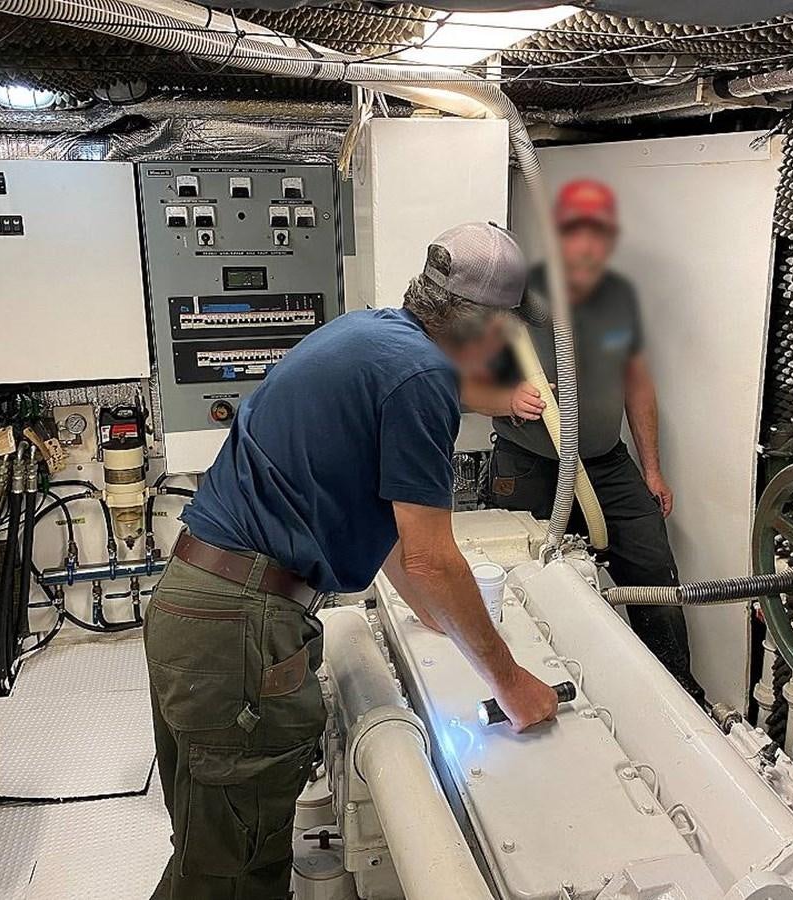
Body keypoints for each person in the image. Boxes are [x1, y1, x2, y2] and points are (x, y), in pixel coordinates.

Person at [145, 222, 559, 900]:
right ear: (484, 325)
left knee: (209, 849)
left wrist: (435, 617)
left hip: (196, 605)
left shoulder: (371, 334)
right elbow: (432, 558)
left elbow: (388, 527)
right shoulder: (422, 378)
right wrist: (511, 683)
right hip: (242, 630)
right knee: (236, 874)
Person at [462, 179, 700, 698]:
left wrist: (652, 469)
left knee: (654, 573)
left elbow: (637, 384)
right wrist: (505, 399)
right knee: (528, 579)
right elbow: (456, 384)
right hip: (530, 467)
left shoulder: (617, 300)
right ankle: (529, 686)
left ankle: (678, 694)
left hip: (607, 465)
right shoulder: (512, 295)